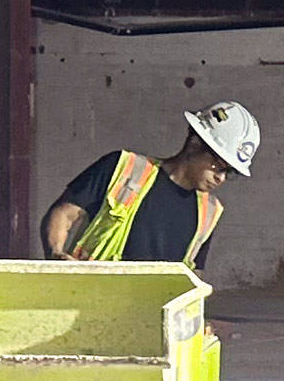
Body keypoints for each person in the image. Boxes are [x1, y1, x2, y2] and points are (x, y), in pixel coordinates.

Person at [41, 102, 260, 267]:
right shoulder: (122, 169)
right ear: (194, 144)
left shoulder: (209, 213)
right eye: (218, 166)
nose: (221, 178)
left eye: (228, 173)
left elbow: (193, 278)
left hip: (151, 319)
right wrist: (56, 254)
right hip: (89, 305)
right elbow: (63, 214)